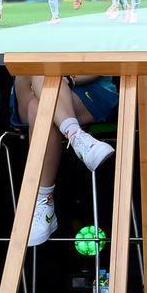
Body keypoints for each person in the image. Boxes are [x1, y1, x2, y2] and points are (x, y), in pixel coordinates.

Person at [12, 75, 116, 245]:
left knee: (39, 108)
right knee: (42, 72)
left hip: (89, 89)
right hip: (30, 89)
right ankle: (76, 136)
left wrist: (67, 77)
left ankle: (43, 201)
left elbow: (108, 57)